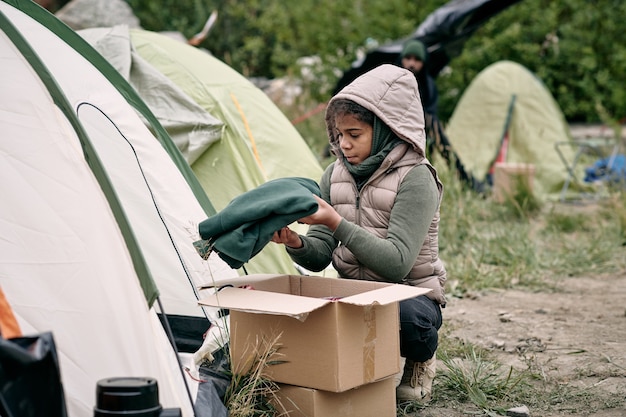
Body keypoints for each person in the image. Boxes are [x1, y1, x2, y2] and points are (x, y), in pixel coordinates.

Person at [271, 64, 447, 403]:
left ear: (384, 129)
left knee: (410, 320)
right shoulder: (334, 174)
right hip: (354, 295)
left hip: (409, 296)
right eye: (339, 135)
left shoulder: (416, 177)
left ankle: (420, 359)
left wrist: (336, 222)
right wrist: (295, 241)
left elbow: (396, 263)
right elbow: (322, 253)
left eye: (355, 134)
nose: (344, 145)